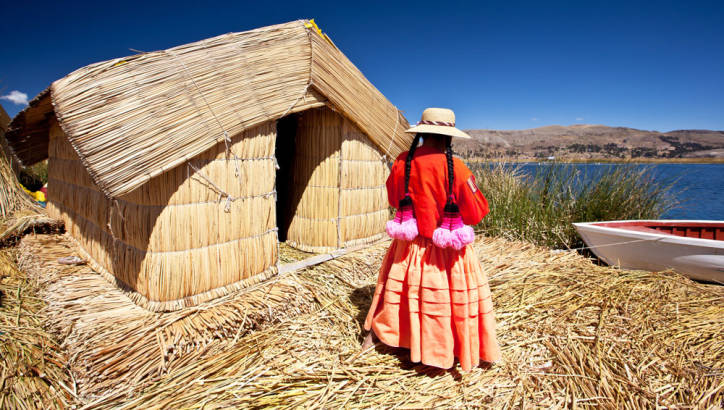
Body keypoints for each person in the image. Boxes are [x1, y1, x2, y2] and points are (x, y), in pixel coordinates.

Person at [362, 108, 500, 372]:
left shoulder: (403, 162)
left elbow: (394, 200)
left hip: (409, 247)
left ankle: (400, 339)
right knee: (442, 304)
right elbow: (475, 213)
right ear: (449, 138)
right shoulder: (457, 169)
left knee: (404, 296)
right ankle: (442, 350)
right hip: (446, 253)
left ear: (422, 133)